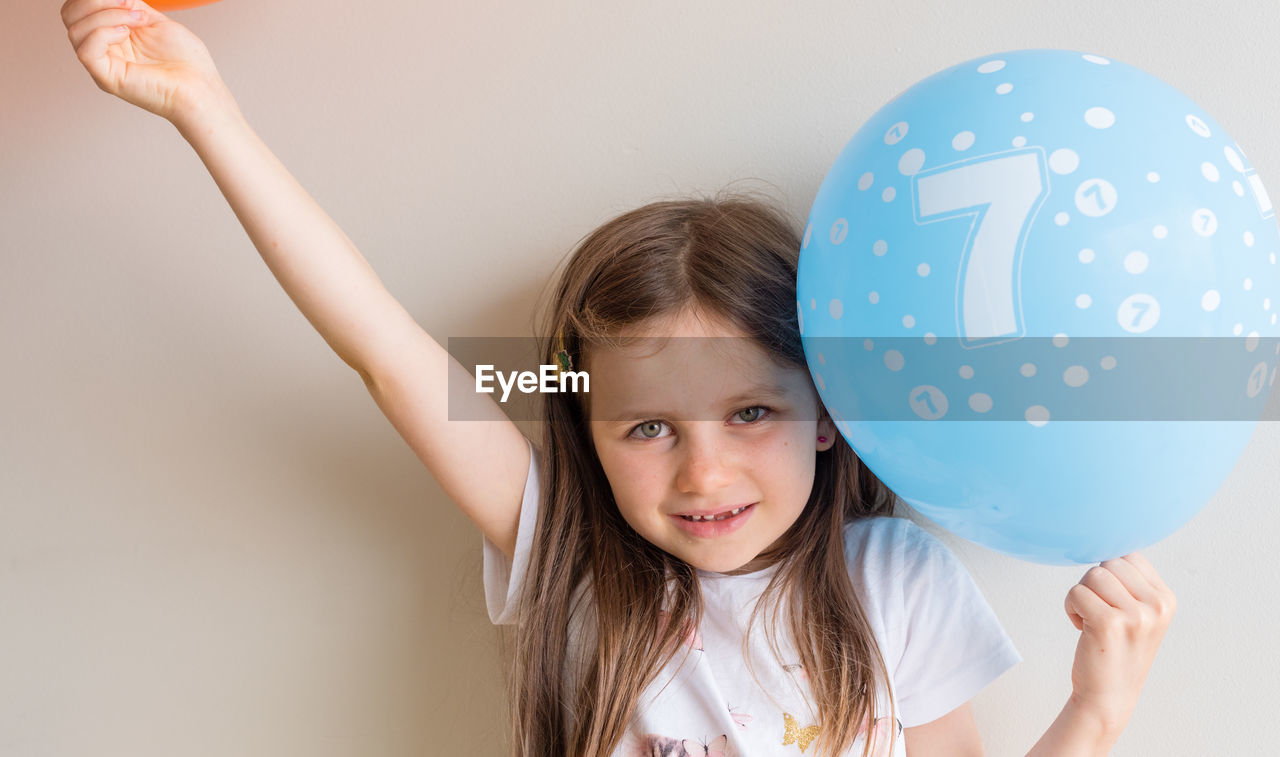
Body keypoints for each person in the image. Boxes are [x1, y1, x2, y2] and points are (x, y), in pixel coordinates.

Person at [61, 2, 1177, 755]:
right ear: (585, 429)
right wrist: (208, 115)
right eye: (646, 426)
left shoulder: (894, 582)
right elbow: (380, 348)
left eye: (750, 411)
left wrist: (1097, 702)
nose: (703, 469)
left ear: (827, 415)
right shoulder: (574, 561)